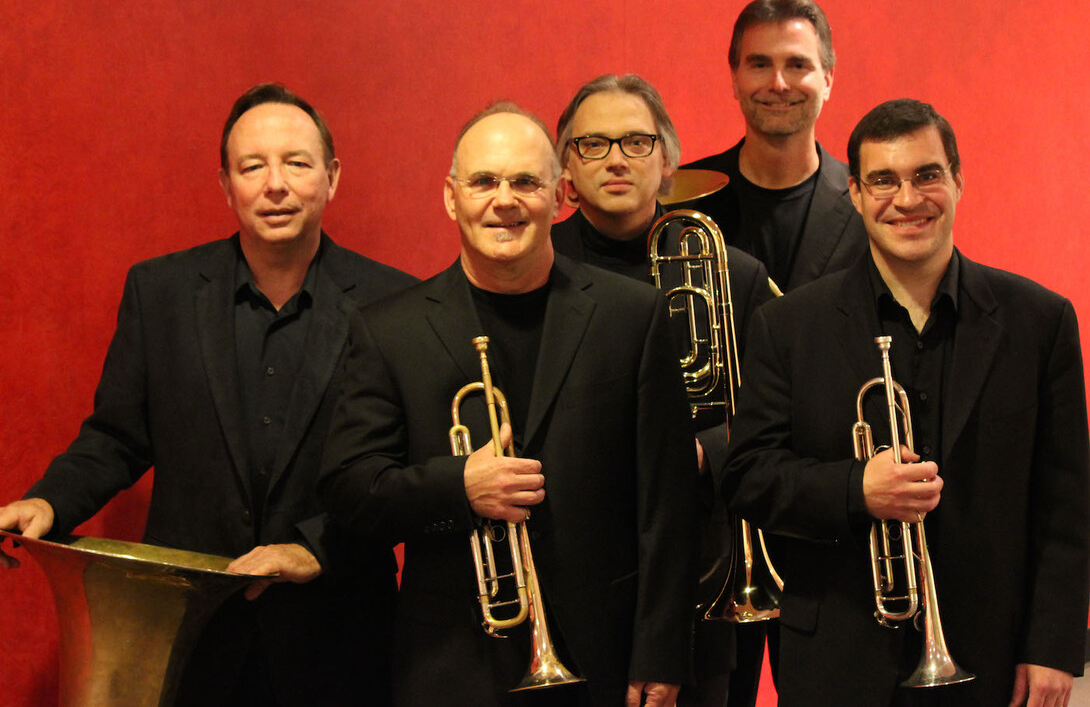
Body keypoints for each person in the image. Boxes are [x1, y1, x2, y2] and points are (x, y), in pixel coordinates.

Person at [0, 83, 416, 706]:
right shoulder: (158, 291)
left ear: (331, 177)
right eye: (253, 166)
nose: (275, 184)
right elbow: (115, 437)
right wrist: (49, 503)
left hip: (340, 639)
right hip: (190, 641)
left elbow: (404, 470)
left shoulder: (397, 304)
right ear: (226, 185)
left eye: (297, 163)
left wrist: (315, 549)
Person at [318, 102, 699, 707]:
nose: (505, 200)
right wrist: (457, 485)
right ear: (451, 197)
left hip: (604, 654)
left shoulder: (633, 316)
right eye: (484, 182)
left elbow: (668, 504)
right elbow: (347, 486)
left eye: (525, 182)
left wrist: (661, 650)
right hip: (450, 663)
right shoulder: (389, 330)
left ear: (558, 196)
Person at [721, 98, 1089, 706]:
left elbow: (1064, 502)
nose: (908, 199)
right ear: (857, 196)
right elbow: (749, 477)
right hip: (837, 661)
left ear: (958, 182)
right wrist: (855, 489)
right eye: (883, 181)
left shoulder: (1039, 321)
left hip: (991, 658)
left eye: (927, 175)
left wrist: (1052, 645)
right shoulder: (787, 327)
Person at [551, 73, 774, 707]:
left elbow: (778, 415)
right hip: (570, 567)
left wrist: (704, 450)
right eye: (591, 143)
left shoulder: (733, 272)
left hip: (698, 570)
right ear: (565, 165)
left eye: (636, 141)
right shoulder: (533, 266)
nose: (615, 158)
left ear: (669, 161)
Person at [684, 0, 866, 293]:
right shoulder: (682, 201)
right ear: (734, 79)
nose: (778, 84)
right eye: (760, 65)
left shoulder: (869, 204)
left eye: (797, 65)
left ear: (828, 80)